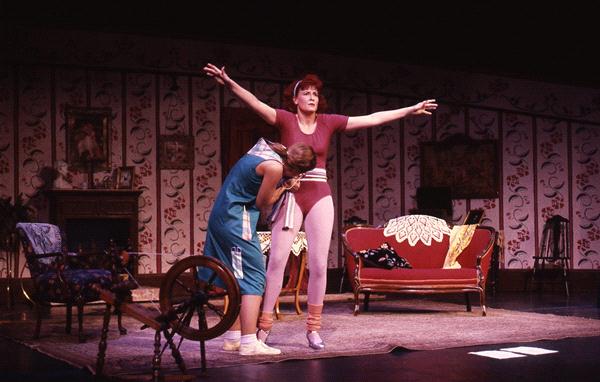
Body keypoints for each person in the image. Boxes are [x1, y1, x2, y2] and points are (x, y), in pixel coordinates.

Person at [204, 63, 437, 350]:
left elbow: (372, 118)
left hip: (319, 193)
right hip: (291, 192)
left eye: (315, 93)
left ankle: (313, 328)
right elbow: (255, 103)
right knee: (276, 262)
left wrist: (409, 110)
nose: (312, 97)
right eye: (306, 93)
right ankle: (262, 328)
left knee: (318, 264)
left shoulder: (330, 122)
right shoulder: (286, 119)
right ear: (295, 98)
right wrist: (228, 82)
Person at [204, 137, 316, 356]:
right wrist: (285, 186)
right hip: (237, 220)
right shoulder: (274, 167)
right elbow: (262, 202)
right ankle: (248, 342)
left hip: (226, 216)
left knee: (239, 278)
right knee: (255, 278)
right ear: (295, 169)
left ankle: (234, 337)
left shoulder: (274, 151)